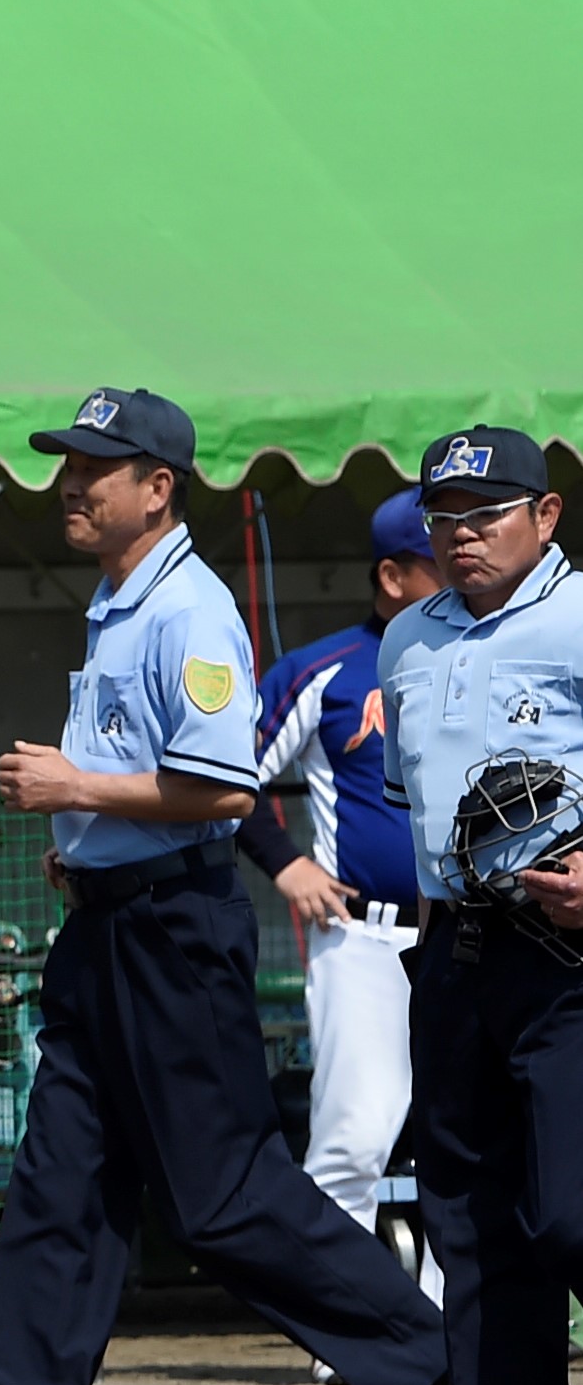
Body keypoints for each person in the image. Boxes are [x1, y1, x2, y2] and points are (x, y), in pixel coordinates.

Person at [0, 388, 455, 1385]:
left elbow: (221, 788)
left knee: (224, 1199)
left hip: (171, 935)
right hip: (110, 925)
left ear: (157, 488)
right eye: (69, 463)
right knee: (59, 1184)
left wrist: (73, 789)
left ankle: (434, 1363)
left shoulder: (187, 607)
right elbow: (155, 772)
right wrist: (84, 840)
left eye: (94, 468)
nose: (70, 483)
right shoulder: (122, 599)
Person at [375, 426, 583, 1385]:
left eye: (485, 513)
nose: (459, 534)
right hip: (454, 954)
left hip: (569, 957)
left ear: (545, 516)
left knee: (570, 1215)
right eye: (443, 516)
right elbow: (413, 801)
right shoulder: (407, 637)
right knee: (471, 1223)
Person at [235, 490, 442, 1288]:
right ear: (392, 576)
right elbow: (227, 778)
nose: (460, 570)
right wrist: (285, 863)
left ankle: (455, 1327)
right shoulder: (327, 669)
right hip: (365, 937)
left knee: (465, 1143)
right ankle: (350, 1327)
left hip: (473, 934)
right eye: (436, 561)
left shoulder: (484, 660)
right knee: (353, 1142)